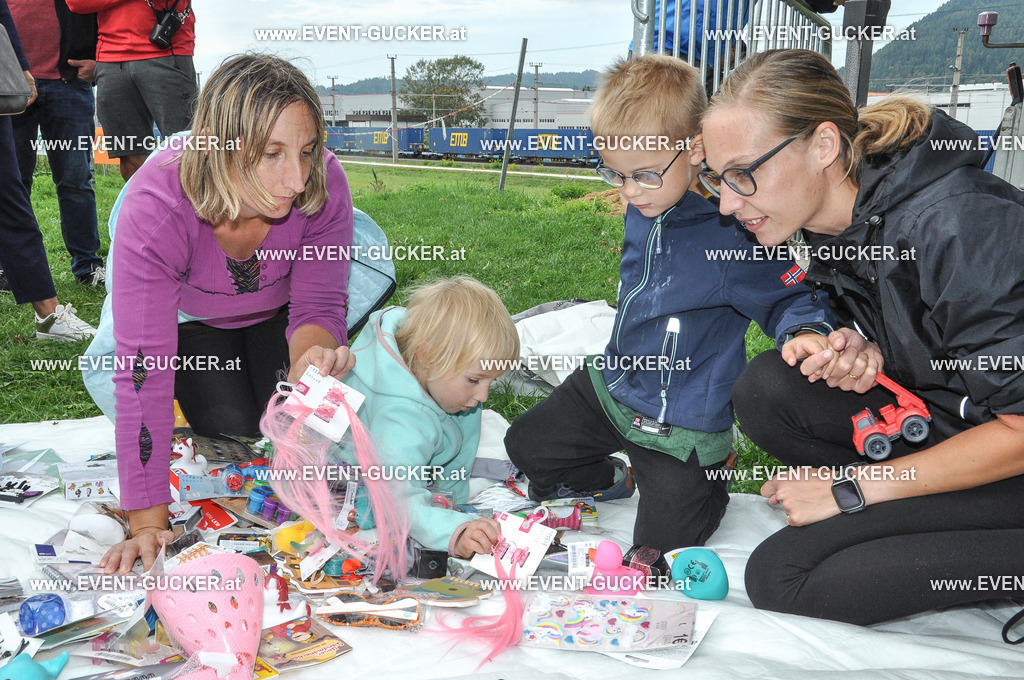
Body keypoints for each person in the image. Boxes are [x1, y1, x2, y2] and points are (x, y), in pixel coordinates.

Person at [700, 48, 1024, 625]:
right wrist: (865, 346)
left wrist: (854, 487)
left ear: (824, 146)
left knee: (784, 578)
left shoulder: (960, 224)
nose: (728, 204)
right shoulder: (837, 223)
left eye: (744, 174)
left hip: (1012, 447)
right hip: (970, 427)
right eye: (717, 179)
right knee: (768, 388)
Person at [504, 54, 834, 554]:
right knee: (524, 445)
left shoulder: (734, 232)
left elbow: (791, 292)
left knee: (657, 550)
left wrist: (803, 331)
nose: (630, 192)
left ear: (696, 150)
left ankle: (711, 483)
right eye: (615, 175)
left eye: (644, 175)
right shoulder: (648, 203)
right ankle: (613, 474)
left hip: (681, 422)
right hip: (614, 384)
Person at [96, 54, 354, 573]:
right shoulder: (156, 205)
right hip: (188, 319)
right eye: (272, 154)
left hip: (274, 309)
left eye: (306, 151)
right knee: (229, 428)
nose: (297, 179)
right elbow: (143, 367)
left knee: (287, 430)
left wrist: (313, 363)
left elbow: (318, 303)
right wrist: (147, 523)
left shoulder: (322, 184)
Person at [340, 277, 520, 558]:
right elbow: (395, 495)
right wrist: (454, 531)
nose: (484, 395)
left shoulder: (452, 387)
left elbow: (461, 445)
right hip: (341, 477)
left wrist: (453, 504)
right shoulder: (401, 418)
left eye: (491, 381)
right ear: (427, 356)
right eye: (474, 380)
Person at [0, 0, 96, 341]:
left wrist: (98, 58)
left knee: (70, 181)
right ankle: (10, 275)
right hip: (12, 81)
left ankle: (83, 271)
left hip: (59, 83)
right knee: (14, 186)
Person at [65, 0, 197, 181]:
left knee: (190, 152)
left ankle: (194, 209)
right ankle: (147, 209)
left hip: (167, 51)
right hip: (111, 58)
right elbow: (76, 3)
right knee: (130, 157)